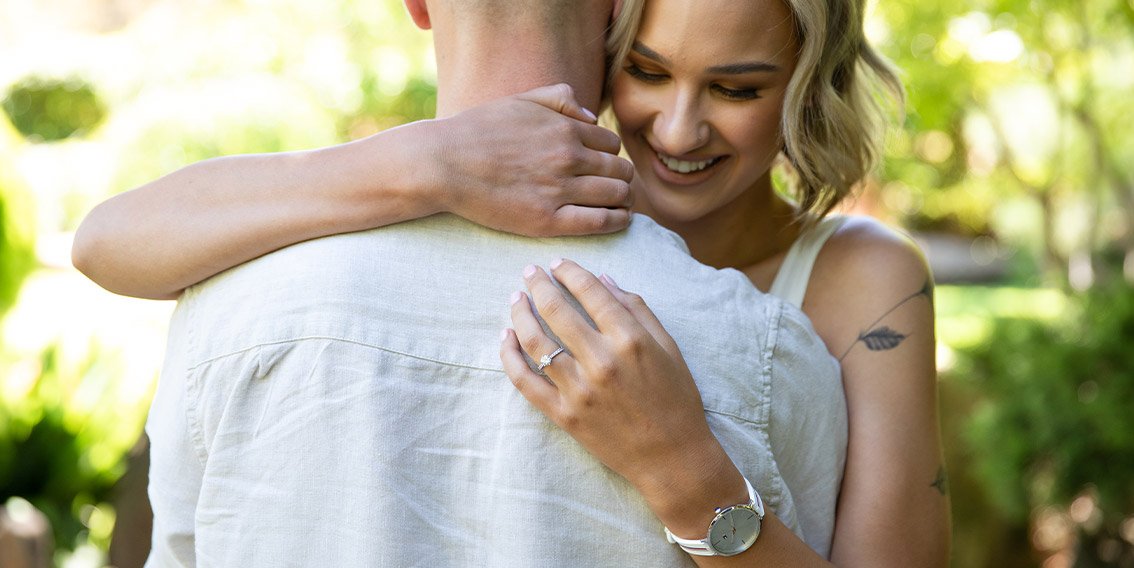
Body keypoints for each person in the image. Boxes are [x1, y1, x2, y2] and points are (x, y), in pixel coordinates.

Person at [76, 0, 952, 565]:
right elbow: (106, 239)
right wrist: (429, 159)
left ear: (804, 83)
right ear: (614, 29)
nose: (678, 130)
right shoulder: (485, 195)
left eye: (735, 88)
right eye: (646, 72)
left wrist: (684, 469)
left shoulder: (853, 287)